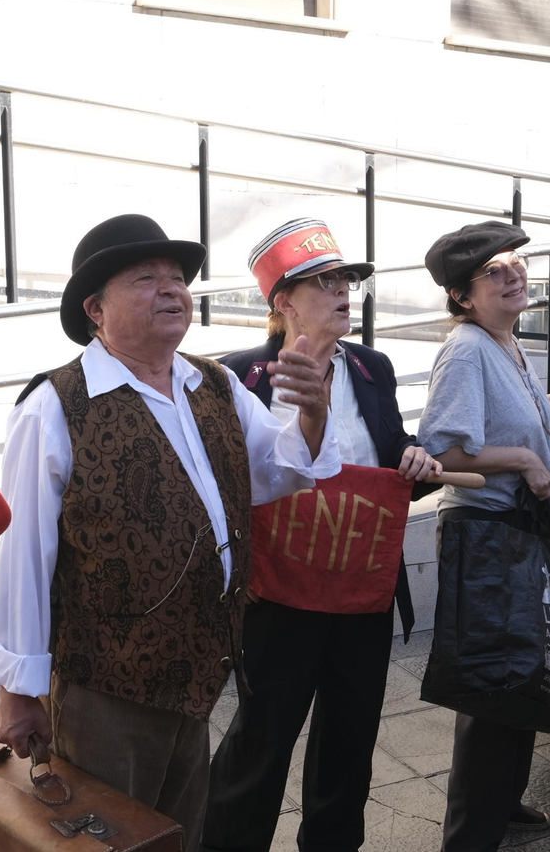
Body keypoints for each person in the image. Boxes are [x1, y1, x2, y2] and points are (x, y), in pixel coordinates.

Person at [0, 214, 341, 851]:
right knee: (105, 839)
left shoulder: (214, 384)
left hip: (199, 671)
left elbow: (282, 467)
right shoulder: (55, 405)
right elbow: (25, 556)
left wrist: (312, 411)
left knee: (177, 834)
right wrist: (18, 690)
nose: (172, 289)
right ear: (96, 308)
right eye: (147, 279)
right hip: (106, 686)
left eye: (178, 278)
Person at [202, 219, 442, 852]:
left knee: (350, 739)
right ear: (282, 302)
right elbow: (226, 485)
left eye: (348, 281)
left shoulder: (371, 367)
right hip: (278, 595)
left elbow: (390, 456)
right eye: (324, 282)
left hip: (362, 589)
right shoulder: (239, 378)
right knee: (262, 739)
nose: (344, 292)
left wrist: (415, 459)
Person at [416, 221, 550, 852]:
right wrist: (523, 458)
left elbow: (493, 412)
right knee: (494, 685)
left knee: (525, 670)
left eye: (515, 262)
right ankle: (470, 835)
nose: (513, 273)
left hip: (517, 530)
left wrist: (549, 406)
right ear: (463, 295)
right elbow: (446, 448)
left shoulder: (503, 343)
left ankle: (503, 800)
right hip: (487, 533)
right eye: (493, 271)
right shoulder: (466, 348)